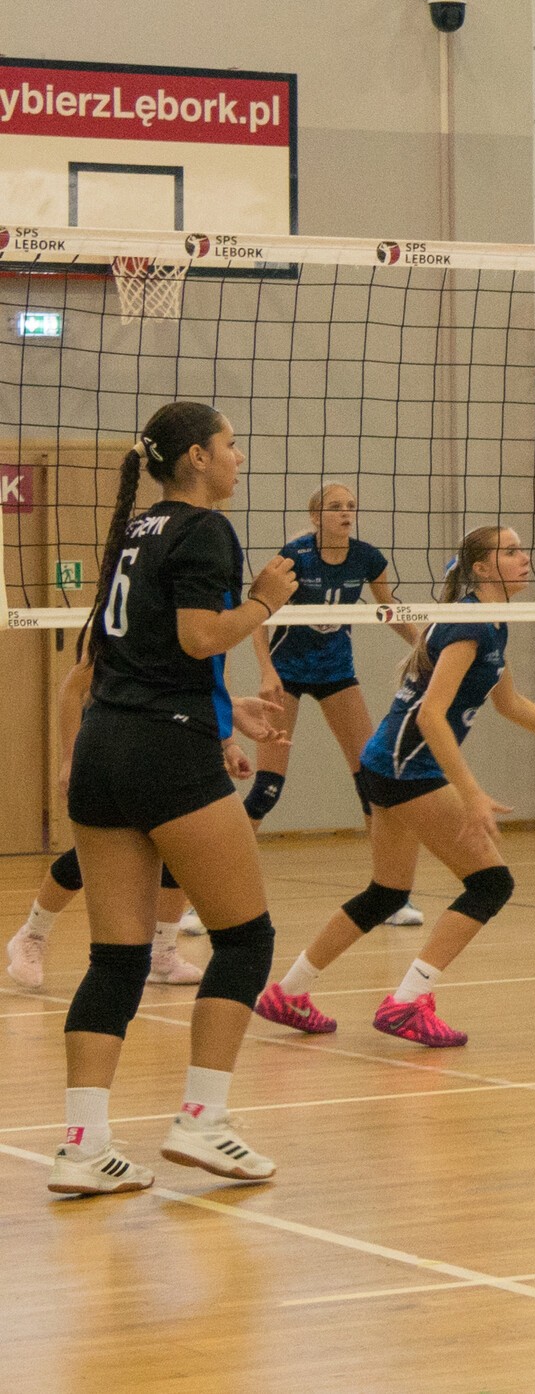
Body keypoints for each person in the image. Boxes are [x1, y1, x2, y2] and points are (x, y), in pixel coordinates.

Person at [50, 402, 300, 1196]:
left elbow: (146, 653)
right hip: (164, 751)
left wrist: (223, 714)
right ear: (196, 457)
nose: (238, 457)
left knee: (116, 959)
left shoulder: (136, 529)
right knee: (246, 940)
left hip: (105, 747)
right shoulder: (205, 530)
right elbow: (198, 637)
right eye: (230, 444)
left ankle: (83, 1145)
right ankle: (202, 1120)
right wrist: (264, 602)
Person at [254, 526, 535, 1048]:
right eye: (511, 551)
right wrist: (471, 793)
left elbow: (509, 703)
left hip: (385, 762)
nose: (525, 557)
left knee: (386, 893)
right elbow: (431, 717)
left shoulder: (489, 620)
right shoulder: (471, 624)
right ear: (482, 568)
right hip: (408, 768)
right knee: (491, 884)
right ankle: (407, 1003)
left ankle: (287, 993)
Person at [249, 481, 426, 925]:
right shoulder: (294, 557)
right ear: (316, 517)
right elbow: (258, 616)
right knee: (267, 788)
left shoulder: (367, 558)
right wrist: (267, 671)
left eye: (350, 506)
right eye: (335, 507)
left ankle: (390, 896)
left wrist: (425, 646)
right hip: (287, 674)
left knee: (372, 781)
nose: (346, 513)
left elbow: (387, 608)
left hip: (336, 673)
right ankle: (205, 896)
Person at [10, 641, 204, 991]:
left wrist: (226, 744)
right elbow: (73, 689)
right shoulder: (119, 629)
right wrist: (69, 759)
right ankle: (32, 934)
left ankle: (162, 953)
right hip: (113, 745)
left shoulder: (191, 631)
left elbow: (202, 693)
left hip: (169, 745)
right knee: (93, 856)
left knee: (175, 847)